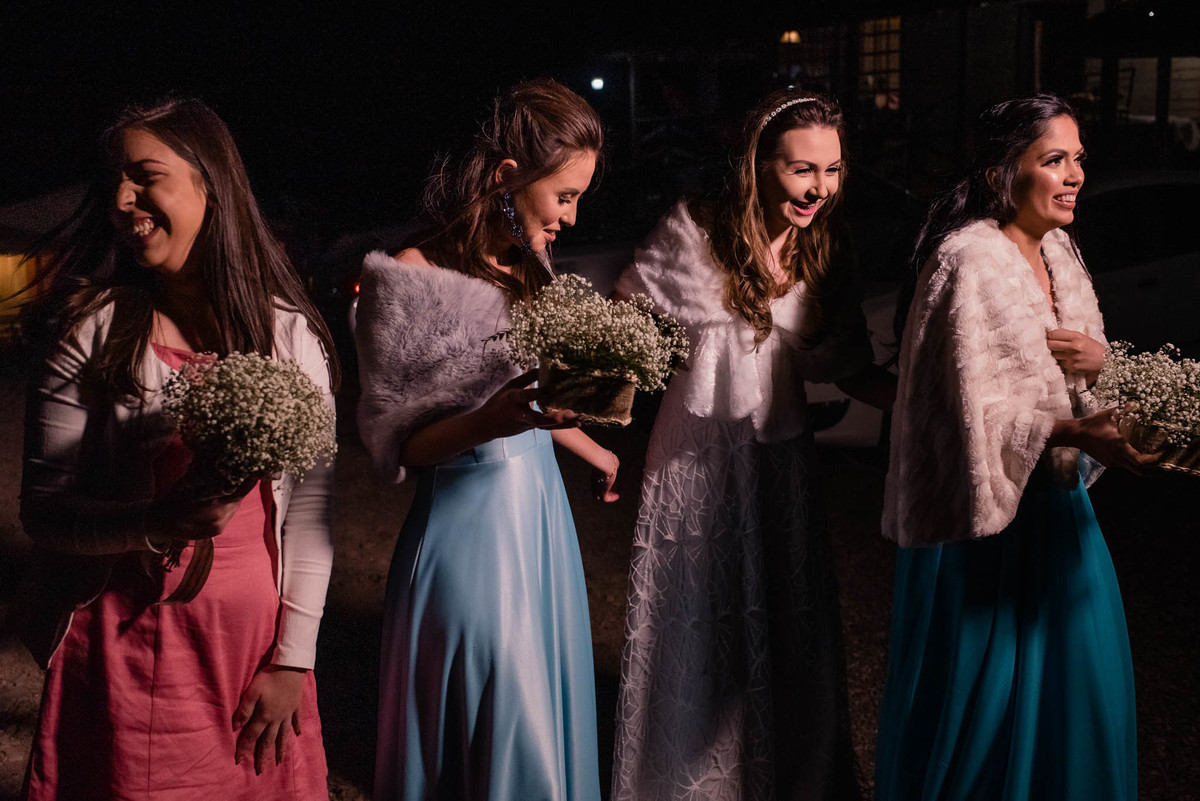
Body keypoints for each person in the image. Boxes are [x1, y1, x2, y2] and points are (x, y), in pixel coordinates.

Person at [15, 98, 338, 799]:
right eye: (116, 183)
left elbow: (312, 513)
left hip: (251, 657)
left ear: (209, 183)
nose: (122, 200)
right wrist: (151, 523)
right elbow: (43, 512)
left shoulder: (289, 338)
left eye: (145, 176)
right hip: (124, 653)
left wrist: (293, 662)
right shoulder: (93, 332)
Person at [611, 90, 892, 801]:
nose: (820, 189)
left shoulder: (828, 246)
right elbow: (626, 320)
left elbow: (851, 365)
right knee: (700, 622)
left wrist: (932, 411)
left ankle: (787, 779)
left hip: (780, 463)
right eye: (803, 170)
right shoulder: (693, 230)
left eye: (832, 170)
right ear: (759, 164)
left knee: (787, 621)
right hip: (696, 459)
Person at [875, 93, 1155, 801]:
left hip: (1061, 516)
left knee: (1082, 698)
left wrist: (1112, 385)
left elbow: (1081, 381)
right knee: (985, 722)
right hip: (985, 528)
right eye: (1053, 159)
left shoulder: (1061, 253)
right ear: (1007, 171)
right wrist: (1067, 431)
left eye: (1079, 159)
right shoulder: (967, 261)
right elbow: (953, 413)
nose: (1074, 175)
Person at [355, 79, 616, 801]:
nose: (570, 215)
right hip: (464, 529)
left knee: (542, 689)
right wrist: (489, 422)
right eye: (563, 195)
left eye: (579, 198)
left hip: (539, 516)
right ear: (508, 176)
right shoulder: (409, 277)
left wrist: (592, 446)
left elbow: (529, 395)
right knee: (495, 707)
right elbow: (400, 446)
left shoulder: (531, 263)